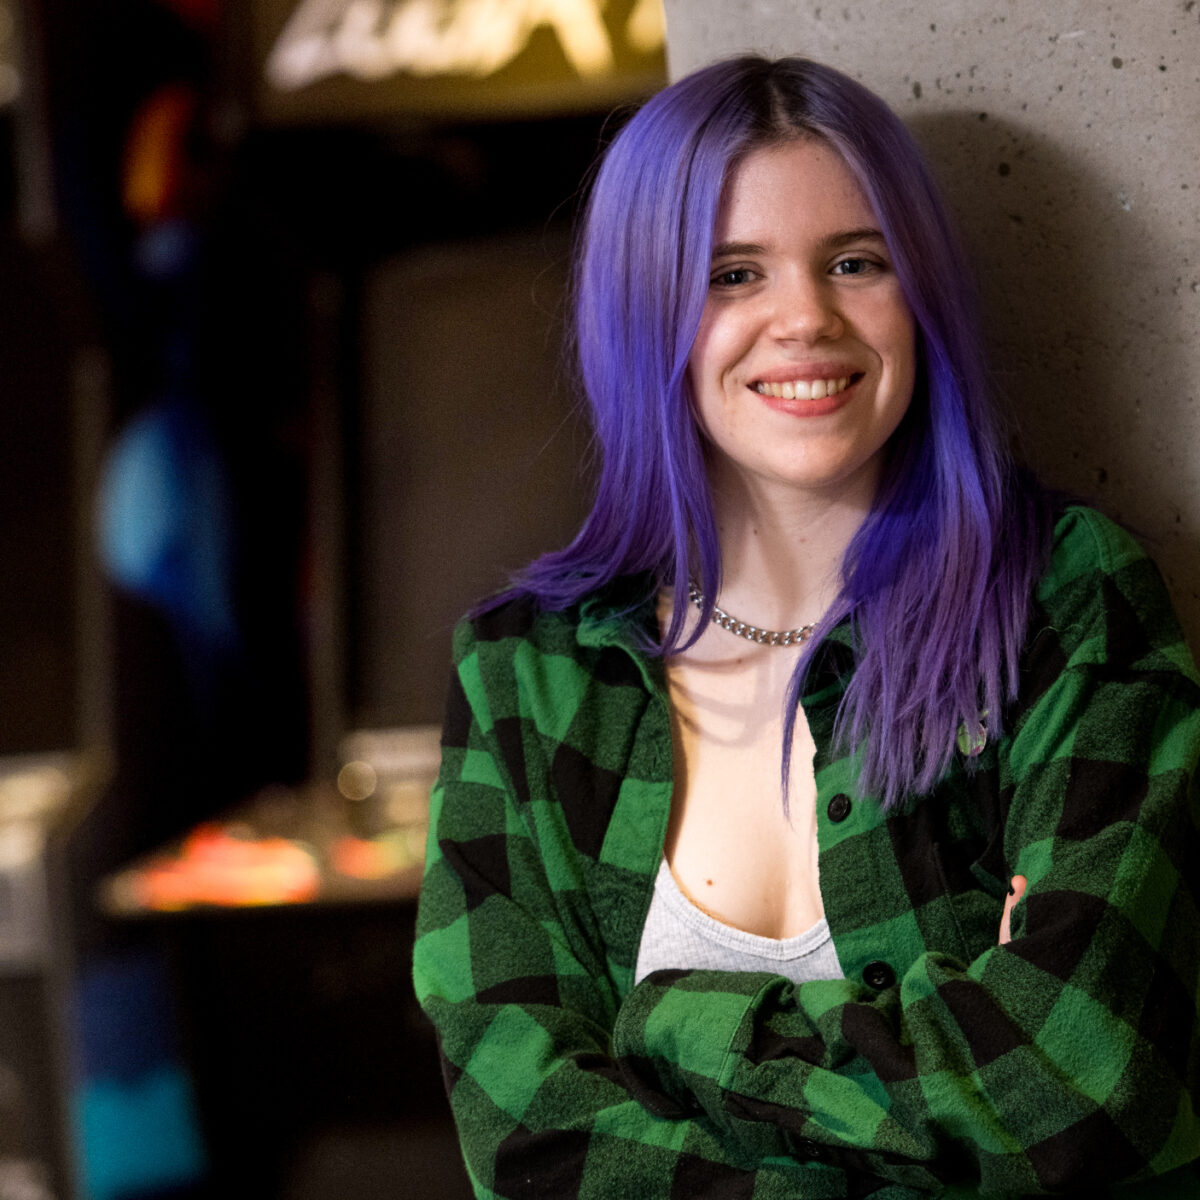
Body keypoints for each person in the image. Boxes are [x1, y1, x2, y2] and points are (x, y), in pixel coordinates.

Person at [413, 55, 1200, 1198]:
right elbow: (528, 1146)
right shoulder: (522, 675)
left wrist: (670, 1024)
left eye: (855, 261)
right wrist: (940, 1048)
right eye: (733, 273)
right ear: (646, 308)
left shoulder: (1067, 603)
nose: (805, 319)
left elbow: (1080, 1082)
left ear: (921, 293)